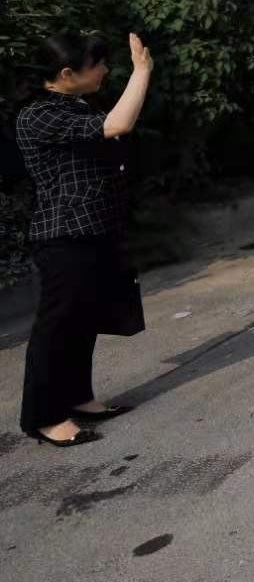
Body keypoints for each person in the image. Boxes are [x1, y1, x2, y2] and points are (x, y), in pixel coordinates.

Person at [15, 32, 153, 447]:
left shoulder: (75, 105)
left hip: (95, 229)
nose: (105, 71)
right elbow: (118, 124)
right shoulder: (38, 115)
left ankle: (78, 397)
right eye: (98, 65)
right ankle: (44, 417)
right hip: (64, 235)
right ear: (65, 73)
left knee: (83, 322)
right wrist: (142, 70)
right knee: (56, 327)